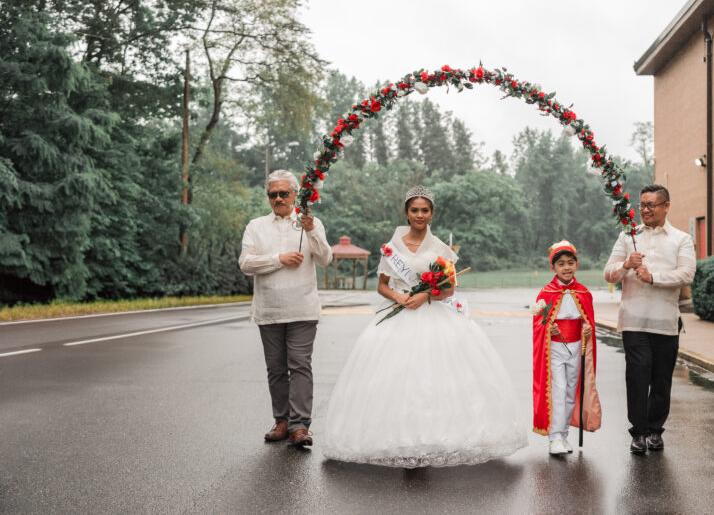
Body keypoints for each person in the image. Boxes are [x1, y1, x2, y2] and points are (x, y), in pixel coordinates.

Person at [320, 185, 527, 467]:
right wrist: (398, 296)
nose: (419, 215)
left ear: (431, 213)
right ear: (406, 212)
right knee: (395, 380)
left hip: (433, 314)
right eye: (414, 210)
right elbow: (381, 285)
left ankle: (437, 435)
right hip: (399, 312)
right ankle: (397, 437)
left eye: (425, 210)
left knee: (434, 380)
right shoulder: (391, 249)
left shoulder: (440, 248)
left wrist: (426, 294)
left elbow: (449, 290)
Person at [239, 169, 333, 449]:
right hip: (268, 309)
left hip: (303, 308)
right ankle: (281, 422)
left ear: (295, 194)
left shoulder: (309, 223)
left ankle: (300, 426)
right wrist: (279, 259)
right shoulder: (256, 226)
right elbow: (245, 263)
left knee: (300, 366)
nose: (278, 198)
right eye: (273, 194)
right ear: (268, 197)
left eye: (284, 193)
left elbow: (326, 259)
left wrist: (311, 229)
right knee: (276, 369)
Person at [603, 184, 695, 455]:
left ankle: (656, 430)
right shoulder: (627, 237)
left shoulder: (681, 239)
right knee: (637, 377)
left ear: (666, 206)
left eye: (651, 205)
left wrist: (653, 278)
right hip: (633, 322)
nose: (645, 210)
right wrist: (626, 266)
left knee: (661, 379)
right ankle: (638, 432)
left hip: (666, 322)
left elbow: (687, 274)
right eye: (642, 205)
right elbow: (608, 273)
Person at [531, 240, 601, 456]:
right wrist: (546, 328)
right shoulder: (546, 293)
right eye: (561, 264)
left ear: (577, 265)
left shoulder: (583, 292)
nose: (566, 267)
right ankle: (554, 438)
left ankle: (563, 435)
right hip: (555, 349)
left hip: (577, 348)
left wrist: (587, 329)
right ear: (553, 267)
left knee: (571, 391)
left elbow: (587, 320)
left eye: (570, 263)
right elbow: (538, 323)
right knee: (558, 391)